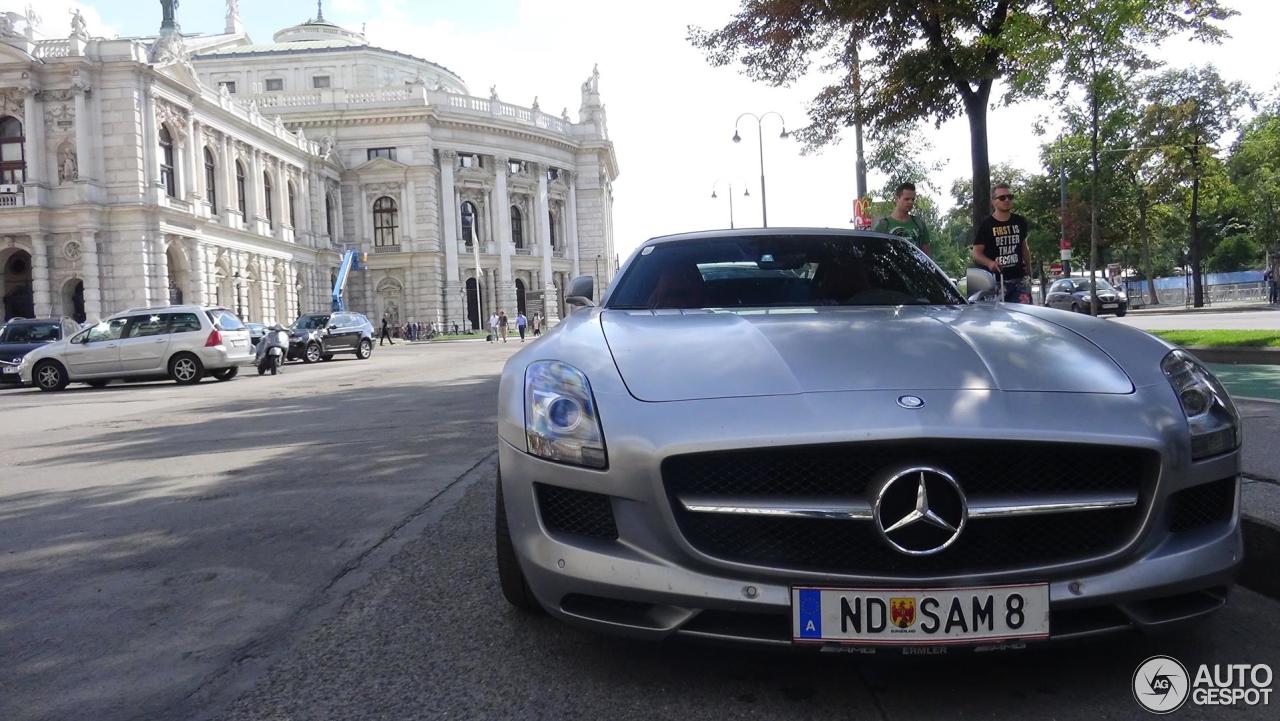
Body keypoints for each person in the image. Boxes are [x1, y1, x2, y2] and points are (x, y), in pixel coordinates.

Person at [972, 182, 1032, 304]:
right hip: (995, 281)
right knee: (998, 320)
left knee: (1024, 317)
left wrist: (1029, 271)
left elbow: (1024, 247)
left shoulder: (1020, 221)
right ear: (993, 201)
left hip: (1019, 279)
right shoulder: (986, 225)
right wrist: (990, 263)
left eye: (1010, 197)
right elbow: (976, 253)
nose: (1007, 200)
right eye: (1002, 197)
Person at [872, 182, 931, 257]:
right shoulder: (882, 225)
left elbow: (927, 256)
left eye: (913, 199)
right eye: (906, 199)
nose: (910, 202)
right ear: (897, 199)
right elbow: (875, 253)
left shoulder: (919, 224)